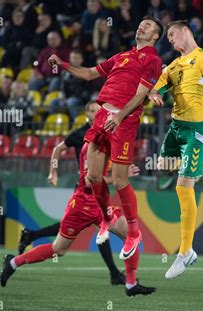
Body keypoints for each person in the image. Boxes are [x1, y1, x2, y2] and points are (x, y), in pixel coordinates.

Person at [47, 17, 164, 295]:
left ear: (156, 36)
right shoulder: (122, 56)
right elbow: (89, 74)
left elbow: (141, 94)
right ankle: (106, 219)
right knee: (93, 176)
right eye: (141, 24)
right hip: (102, 116)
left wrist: (120, 116)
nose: (141, 27)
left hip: (124, 120)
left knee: (121, 181)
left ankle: (132, 233)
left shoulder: (153, 60)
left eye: (148, 26)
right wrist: (62, 64)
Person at [0, 140, 154, 297]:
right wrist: (119, 177)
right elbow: (90, 180)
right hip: (82, 205)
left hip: (100, 204)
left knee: (131, 235)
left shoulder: (112, 143)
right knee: (58, 249)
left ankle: (130, 283)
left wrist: (120, 172)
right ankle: (13, 262)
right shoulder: (91, 147)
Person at [148, 20, 203, 278]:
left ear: (185, 31)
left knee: (182, 187)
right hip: (176, 128)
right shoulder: (173, 65)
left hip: (197, 131)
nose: (170, 40)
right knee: (163, 168)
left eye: (172, 35)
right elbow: (157, 86)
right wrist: (154, 93)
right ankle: (201, 168)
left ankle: (185, 252)